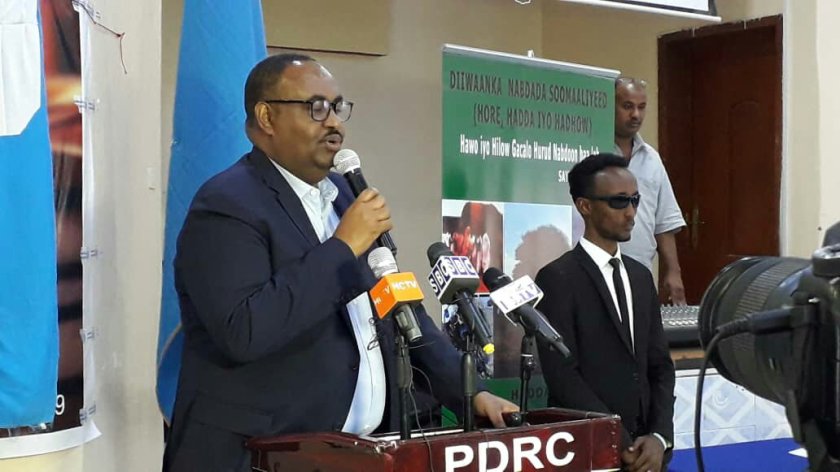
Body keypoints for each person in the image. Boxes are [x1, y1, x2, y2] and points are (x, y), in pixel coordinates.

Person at [161, 54, 517, 471]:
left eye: (337, 107)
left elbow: (401, 308)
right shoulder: (227, 204)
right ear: (267, 117)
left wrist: (470, 391)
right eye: (316, 108)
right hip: (258, 456)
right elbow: (245, 330)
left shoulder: (345, 196)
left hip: (357, 453)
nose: (334, 123)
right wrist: (343, 247)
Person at [535, 153, 676, 472]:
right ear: (585, 206)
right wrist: (618, 440)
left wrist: (659, 436)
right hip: (590, 451)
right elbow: (563, 377)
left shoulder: (641, 276)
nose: (631, 213)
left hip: (649, 453)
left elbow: (660, 365)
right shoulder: (557, 278)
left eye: (635, 200)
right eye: (618, 202)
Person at [614, 77, 687, 305]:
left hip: (641, 272)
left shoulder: (652, 159)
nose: (636, 115)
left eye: (641, 107)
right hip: (597, 273)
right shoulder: (592, 152)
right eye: (627, 106)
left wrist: (674, 272)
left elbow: (664, 221)